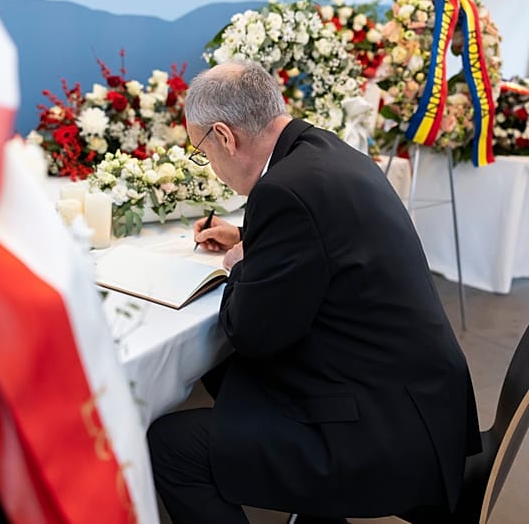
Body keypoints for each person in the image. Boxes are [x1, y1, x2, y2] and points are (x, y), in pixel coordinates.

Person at [147, 60, 481, 524]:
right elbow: (323, 232)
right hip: (421, 398)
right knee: (230, 379)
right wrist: (250, 236)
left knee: (171, 446)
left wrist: (240, 263)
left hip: (385, 431)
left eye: (202, 151)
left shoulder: (284, 191)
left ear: (225, 136)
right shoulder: (322, 151)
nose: (212, 165)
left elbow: (251, 334)